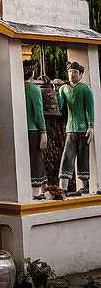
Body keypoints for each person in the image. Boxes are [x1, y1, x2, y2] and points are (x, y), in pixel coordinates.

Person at [58, 61, 95, 196]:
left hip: (83, 128)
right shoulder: (64, 89)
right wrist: (57, 89)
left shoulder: (85, 89)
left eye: (75, 72)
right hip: (70, 128)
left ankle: (84, 186)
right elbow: (60, 105)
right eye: (70, 72)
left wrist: (91, 126)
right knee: (67, 156)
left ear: (81, 74)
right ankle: (63, 187)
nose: (72, 75)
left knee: (83, 156)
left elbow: (90, 108)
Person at [23, 61, 49, 199]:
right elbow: (38, 113)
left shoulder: (18, 89)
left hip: (21, 130)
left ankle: (45, 188)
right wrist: (43, 131)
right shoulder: (34, 89)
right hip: (34, 130)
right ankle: (35, 192)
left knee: (31, 159)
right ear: (32, 73)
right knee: (35, 159)